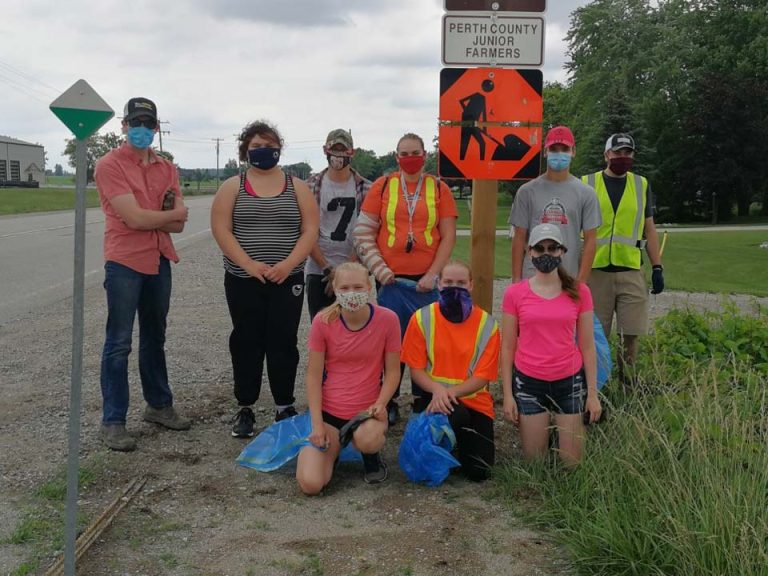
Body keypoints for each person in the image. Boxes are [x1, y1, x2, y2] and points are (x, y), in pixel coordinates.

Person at [94, 97, 191, 452]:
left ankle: (159, 406)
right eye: (135, 121)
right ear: (123, 125)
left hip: (159, 258)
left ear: (156, 128)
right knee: (118, 342)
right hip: (123, 261)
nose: (141, 129)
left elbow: (179, 223)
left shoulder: (166, 167)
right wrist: (163, 217)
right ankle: (113, 421)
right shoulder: (109, 165)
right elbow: (135, 219)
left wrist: (157, 218)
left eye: (148, 123)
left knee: (155, 336)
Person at [211, 120, 319, 438]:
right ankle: (245, 406)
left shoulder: (296, 186)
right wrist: (247, 263)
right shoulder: (233, 186)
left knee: (283, 341)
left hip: (287, 278)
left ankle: (284, 404)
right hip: (243, 279)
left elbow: (310, 230)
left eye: (269, 146)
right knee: (246, 340)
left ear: (279, 149)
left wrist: (287, 264)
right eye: (256, 147)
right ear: (246, 150)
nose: (263, 152)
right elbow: (221, 229)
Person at [354, 133, 458, 424]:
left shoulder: (439, 189)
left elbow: (448, 237)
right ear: (396, 156)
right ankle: (389, 401)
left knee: (427, 344)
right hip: (390, 280)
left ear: (425, 154)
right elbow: (362, 233)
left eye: (415, 152)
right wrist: (380, 270)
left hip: (428, 280)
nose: (409, 158)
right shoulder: (383, 186)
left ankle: (425, 400)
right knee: (392, 345)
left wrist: (433, 274)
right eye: (404, 153)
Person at [296, 262, 401, 495]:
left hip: (366, 412)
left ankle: (370, 457)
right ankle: (329, 452)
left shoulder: (388, 319)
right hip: (330, 413)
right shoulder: (323, 321)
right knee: (311, 484)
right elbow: (313, 376)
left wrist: (381, 403)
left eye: (357, 286)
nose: (351, 293)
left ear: (369, 287)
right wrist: (316, 425)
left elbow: (393, 371)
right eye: (344, 288)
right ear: (334, 288)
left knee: (368, 439)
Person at [501, 224, 602, 466]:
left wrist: (592, 393)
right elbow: (507, 347)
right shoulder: (515, 293)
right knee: (535, 463)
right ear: (530, 252)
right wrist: (507, 395)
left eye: (552, 248)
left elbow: (587, 346)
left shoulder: (579, 292)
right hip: (529, 380)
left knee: (572, 464)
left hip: (568, 379)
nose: (546, 253)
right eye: (540, 248)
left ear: (562, 251)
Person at [401, 260, 500, 481]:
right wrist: (437, 391)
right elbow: (416, 370)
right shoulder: (421, 318)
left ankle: (455, 445)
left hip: (473, 400)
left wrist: (448, 394)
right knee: (426, 464)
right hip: (432, 397)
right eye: (448, 282)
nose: (455, 287)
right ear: (439, 284)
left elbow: (483, 377)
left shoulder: (487, 324)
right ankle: (441, 442)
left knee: (480, 472)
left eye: (461, 283)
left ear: (471, 285)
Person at [581, 134, 664, 384]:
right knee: (597, 333)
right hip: (596, 272)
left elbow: (649, 228)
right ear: (607, 155)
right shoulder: (587, 183)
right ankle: (596, 385)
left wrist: (657, 266)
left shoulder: (641, 184)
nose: (622, 157)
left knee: (631, 332)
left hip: (630, 269)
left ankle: (627, 382)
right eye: (617, 153)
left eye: (627, 153)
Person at [509, 125, 601, 284]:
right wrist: (517, 280)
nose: (559, 153)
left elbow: (591, 240)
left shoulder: (586, 193)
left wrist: (581, 281)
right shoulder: (527, 191)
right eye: (553, 148)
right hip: (532, 277)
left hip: (568, 278)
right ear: (545, 152)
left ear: (573, 152)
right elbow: (519, 238)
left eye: (564, 148)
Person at [304, 129, 372, 320]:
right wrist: (327, 268)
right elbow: (306, 231)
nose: (339, 155)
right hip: (319, 270)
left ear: (352, 152)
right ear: (325, 150)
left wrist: (344, 271)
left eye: (343, 150)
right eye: (335, 149)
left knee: (354, 328)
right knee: (322, 329)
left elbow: (368, 232)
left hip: (354, 270)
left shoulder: (367, 188)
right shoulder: (309, 186)